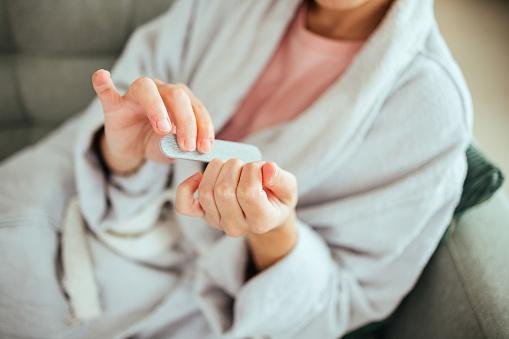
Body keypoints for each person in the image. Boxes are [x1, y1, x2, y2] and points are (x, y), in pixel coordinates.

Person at [0, 0, 472, 338]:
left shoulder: (432, 111)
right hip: (74, 209)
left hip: (194, 305)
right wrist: (125, 152)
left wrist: (272, 233)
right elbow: (126, 108)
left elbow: (342, 306)